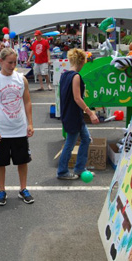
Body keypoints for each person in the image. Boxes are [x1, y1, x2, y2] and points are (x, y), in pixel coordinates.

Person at [0, 48, 35, 206]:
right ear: (1, 61)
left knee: (22, 161)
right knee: (0, 163)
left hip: (19, 128)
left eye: (15, 62)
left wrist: (30, 123)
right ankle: (1, 190)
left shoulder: (21, 79)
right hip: (2, 130)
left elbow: (27, 101)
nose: (13, 65)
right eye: (10, 62)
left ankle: (23, 189)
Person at [57, 48, 99, 180]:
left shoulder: (64, 75)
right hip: (73, 115)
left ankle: (80, 168)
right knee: (70, 143)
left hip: (71, 114)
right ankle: (62, 171)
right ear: (81, 62)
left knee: (86, 139)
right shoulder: (76, 76)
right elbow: (77, 98)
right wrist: (90, 112)